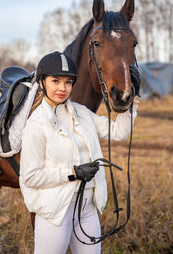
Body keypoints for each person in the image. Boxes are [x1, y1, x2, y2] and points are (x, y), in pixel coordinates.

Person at [19, 51, 140, 254]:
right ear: (41, 82)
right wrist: (73, 173)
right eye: (55, 81)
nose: (62, 88)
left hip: (87, 206)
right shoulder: (35, 125)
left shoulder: (81, 112)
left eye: (68, 82)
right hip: (56, 210)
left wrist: (130, 100)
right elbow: (30, 177)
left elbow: (118, 132)